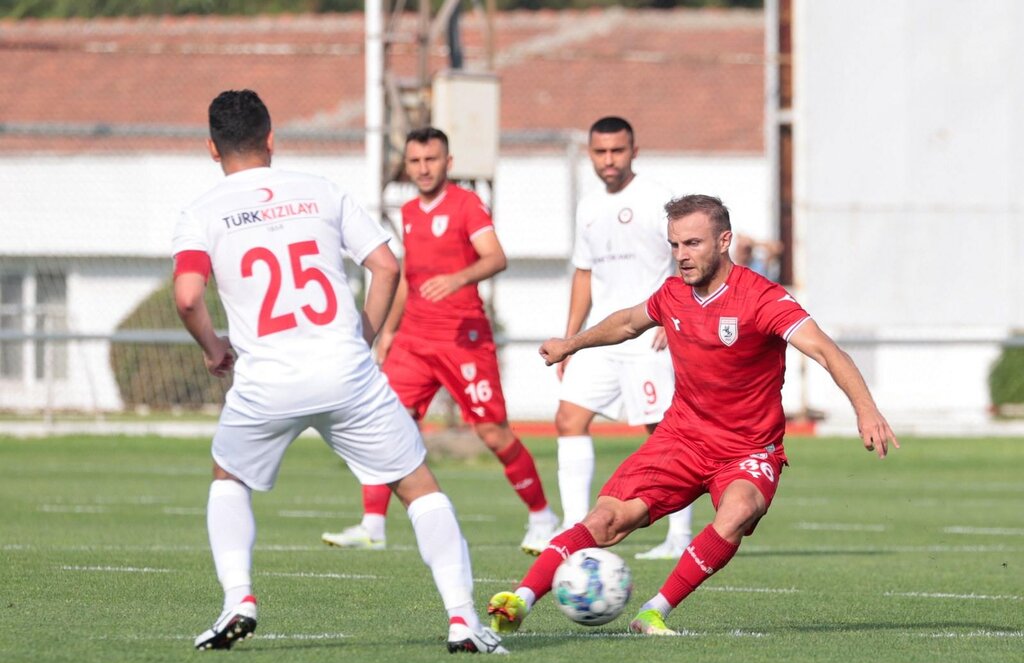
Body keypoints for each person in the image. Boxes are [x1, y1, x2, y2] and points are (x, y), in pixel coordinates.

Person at [174, 90, 506, 654]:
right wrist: (365, 336)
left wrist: (212, 348)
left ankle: (238, 599)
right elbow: (386, 266)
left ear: (212, 148)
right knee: (418, 488)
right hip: (346, 370)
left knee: (228, 478)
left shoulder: (201, 211)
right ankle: (463, 619)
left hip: (266, 380)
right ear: (271, 139)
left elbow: (187, 297)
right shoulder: (321, 189)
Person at [487, 194, 898, 636]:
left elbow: (826, 351)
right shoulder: (672, 295)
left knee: (739, 510)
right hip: (681, 439)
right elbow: (627, 323)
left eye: (693, 243)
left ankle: (654, 611)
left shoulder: (762, 298)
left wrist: (866, 409)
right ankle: (519, 599)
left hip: (747, 450)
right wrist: (571, 344)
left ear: (724, 241)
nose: (681, 255)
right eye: (675, 244)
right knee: (606, 521)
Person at [321, 127, 559, 555]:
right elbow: (408, 277)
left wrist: (457, 278)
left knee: (492, 432)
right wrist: (389, 331)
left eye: (431, 160)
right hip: (414, 340)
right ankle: (373, 525)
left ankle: (542, 517)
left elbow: (495, 257)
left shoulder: (467, 205)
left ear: (448, 163)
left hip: (462, 340)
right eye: (415, 161)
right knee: (384, 424)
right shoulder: (410, 211)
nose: (423, 168)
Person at [555, 116, 692, 560]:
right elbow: (583, 273)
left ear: (634, 151)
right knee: (569, 418)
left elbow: (687, 257)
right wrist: (571, 340)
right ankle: (573, 530)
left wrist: (674, 317)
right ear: (590, 154)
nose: (609, 159)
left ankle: (680, 535)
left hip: (649, 335)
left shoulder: (657, 199)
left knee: (663, 433)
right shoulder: (588, 207)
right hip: (602, 336)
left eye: (617, 151)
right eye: (600, 152)